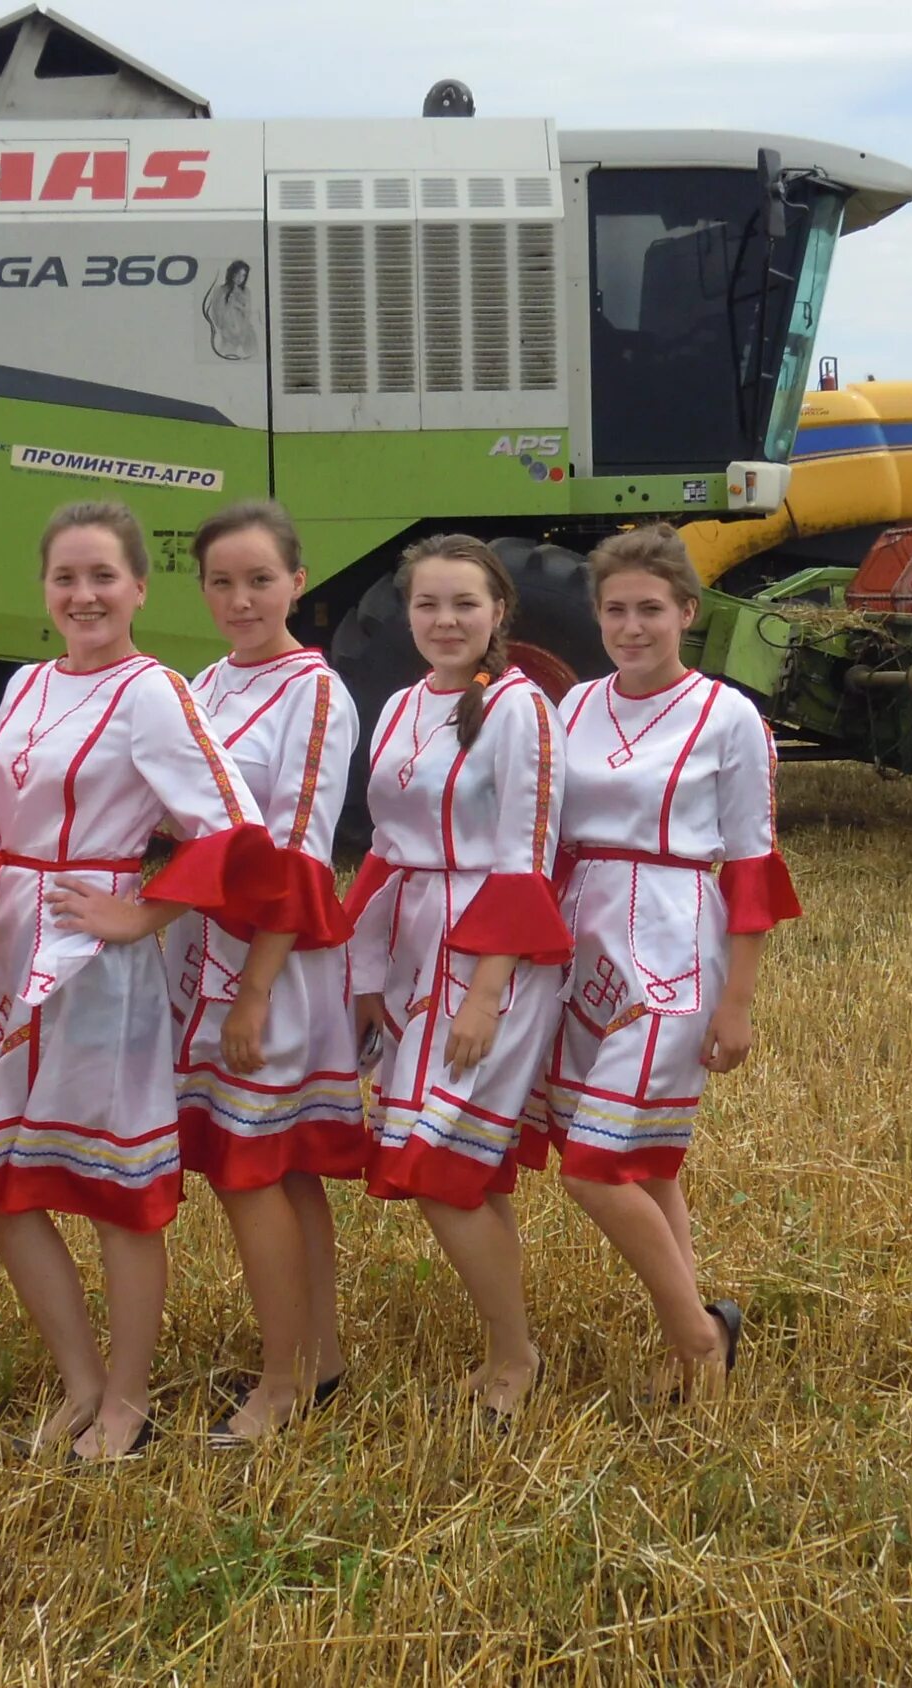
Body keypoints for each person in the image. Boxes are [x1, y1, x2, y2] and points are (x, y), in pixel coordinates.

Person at [0, 500, 282, 1462]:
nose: (84, 595)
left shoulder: (155, 693)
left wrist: (142, 911)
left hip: (99, 969)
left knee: (113, 1187)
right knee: (2, 1181)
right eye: (65, 578)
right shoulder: (22, 686)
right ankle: (81, 1385)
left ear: (138, 588)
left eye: (103, 577)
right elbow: (1, 828)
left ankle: (129, 1405)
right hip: (12, 964)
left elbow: (231, 829)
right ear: (44, 590)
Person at [532, 525, 799, 1402]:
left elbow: (754, 864)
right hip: (584, 945)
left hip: (676, 946)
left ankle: (699, 1339)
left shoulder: (731, 717)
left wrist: (738, 1002)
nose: (632, 626)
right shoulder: (574, 707)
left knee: (594, 1167)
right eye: (616, 610)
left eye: (651, 608)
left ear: (687, 611)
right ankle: (695, 1339)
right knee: (643, 1163)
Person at [345, 534, 571, 1422]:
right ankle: (505, 1346)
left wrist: (484, 993)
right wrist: (365, 970)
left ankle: (515, 1359)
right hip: (408, 952)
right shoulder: (401, 705)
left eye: (464, 605)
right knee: (462, 1169)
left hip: (491, 961)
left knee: (434, 1163)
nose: (445, 621)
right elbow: (383, 849)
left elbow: (528, 859)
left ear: (499, 613)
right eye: (428, 605)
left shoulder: (522, 709)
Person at [156, 501, 367, 1448]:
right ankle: (315, 1359)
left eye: (260, 581)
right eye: (221, 582)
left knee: (251, 1170)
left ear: (299, 582)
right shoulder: (206, 681)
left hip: (270, 966)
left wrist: (253, 991)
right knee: (278, 1172)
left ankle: (279, 1385)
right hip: (210, 951)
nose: (240, 599)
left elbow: (298, 852)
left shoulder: (316, 692)